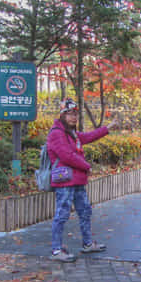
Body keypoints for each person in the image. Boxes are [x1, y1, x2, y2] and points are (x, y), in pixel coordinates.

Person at [47, 98, 117, 262]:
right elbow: (67, 156)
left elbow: (88, 136)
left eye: (75, 114)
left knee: (85, 211)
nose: (73, 117)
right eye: (69, 114)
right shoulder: (57, 133)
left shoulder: (71, 133)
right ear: (62, 115)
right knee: (62, 214)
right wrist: (87, 166)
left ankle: (87, 243)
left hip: (76, 180)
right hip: (64, 181)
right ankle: (56, 250)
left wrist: (107, 128)